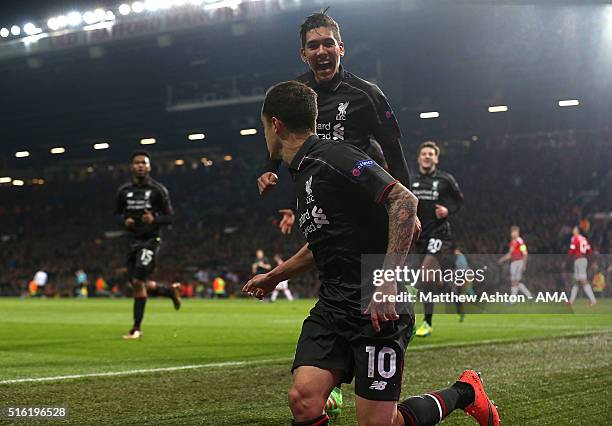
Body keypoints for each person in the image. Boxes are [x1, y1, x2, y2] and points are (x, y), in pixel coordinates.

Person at [244, 81, 498, 426]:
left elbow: (404, 200)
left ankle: (466, 392)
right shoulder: (303, 172)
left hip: (376, 309)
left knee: (381, 423)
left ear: (275, 125)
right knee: (303, 398)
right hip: (333, 307)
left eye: (262, 126)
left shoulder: (334, 155)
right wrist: (275, 277)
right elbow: (324, 243)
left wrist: (387, 282)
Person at [257, 11, 411, 235]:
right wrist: (269, 171)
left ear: (341, 48)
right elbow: (279, 138)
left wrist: (405, 210)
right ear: (303, 54)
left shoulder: (367, 94)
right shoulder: (293, 94)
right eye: (313, 46)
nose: (321, 52)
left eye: (328, 43)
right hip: (319, 205)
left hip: (363, 201)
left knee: (369, 267)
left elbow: (394, 153)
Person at [115, 151, 181, 340]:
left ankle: (136, 329)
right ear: (131, 167)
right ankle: (168, 291)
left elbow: (171, 217)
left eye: (144, 163)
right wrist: (123, 221)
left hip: (150, 240)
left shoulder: (158, 191)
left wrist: (154, 219)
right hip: (131, 241)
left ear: (149, 167)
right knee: (137, 283)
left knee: (137, 282)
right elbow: (115, 215)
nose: (140, 166)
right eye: (137, 163)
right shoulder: (123, 191)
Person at [411, 141, 464, 337]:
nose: (427, 156)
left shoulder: (445, 180)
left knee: (424, 275)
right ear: (419, 158)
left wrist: (448, 210)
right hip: (420, 236)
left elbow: (459, 201)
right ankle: (457, 301)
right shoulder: (411, 180)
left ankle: (422, 321)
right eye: (424, 153)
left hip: (440, 233)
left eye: (430, 154)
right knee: (435, 281)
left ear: (436, 159)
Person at [498, 226, 533, 300]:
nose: (514, 234)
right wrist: (502, 259)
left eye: (516, 232)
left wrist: (524, 264)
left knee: (515, 282)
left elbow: (525, 253)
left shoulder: (520, 241)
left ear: (518, 232)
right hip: (513, 263)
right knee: (515, 282)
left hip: (519, 262)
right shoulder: (512, 243)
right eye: (513, 232)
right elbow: (510, 254)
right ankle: (529, 296)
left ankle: (513, 300)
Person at [567, 226, 596, 306]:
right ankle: (571, 301)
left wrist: (566, 258)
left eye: (574, 229)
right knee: (576, 282)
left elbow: (572, 249)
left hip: (579, 260)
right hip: (582, 260)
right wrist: (593, 260)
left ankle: (593, 300)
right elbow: (589, 250)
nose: (573, 230)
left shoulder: (575, 238)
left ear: (577, 231)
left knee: (583, 281)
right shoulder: (583, 238)